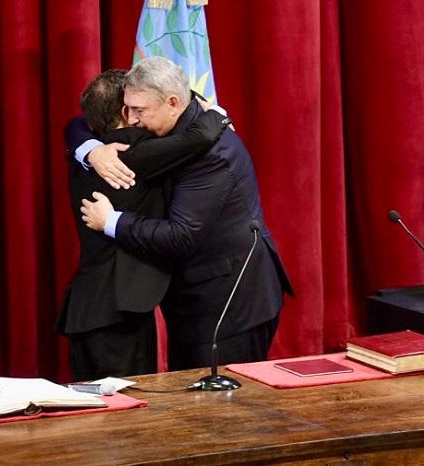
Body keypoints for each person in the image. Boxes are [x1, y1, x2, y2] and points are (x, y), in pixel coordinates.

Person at [78, 56, 294, 371]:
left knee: (224, 413)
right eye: (128, 109)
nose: (132, 120)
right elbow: (79, 124)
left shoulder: (211, 156)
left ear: (174, 103)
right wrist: (88, 149)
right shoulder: (177, 125)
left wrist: (111, 221)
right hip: (193, 302)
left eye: (140, 111)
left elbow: (181, 236)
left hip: (229, 305)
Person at [57, 69, 230, 381]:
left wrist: (88, 148)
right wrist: (216, 111)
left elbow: (76, 124)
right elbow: (200, 137)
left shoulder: (86, 155)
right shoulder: (136, 151)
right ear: (126, 110)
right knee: (126, 415)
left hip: (85, 309)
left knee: (89, 415)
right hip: (119, 313)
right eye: (135, 106)